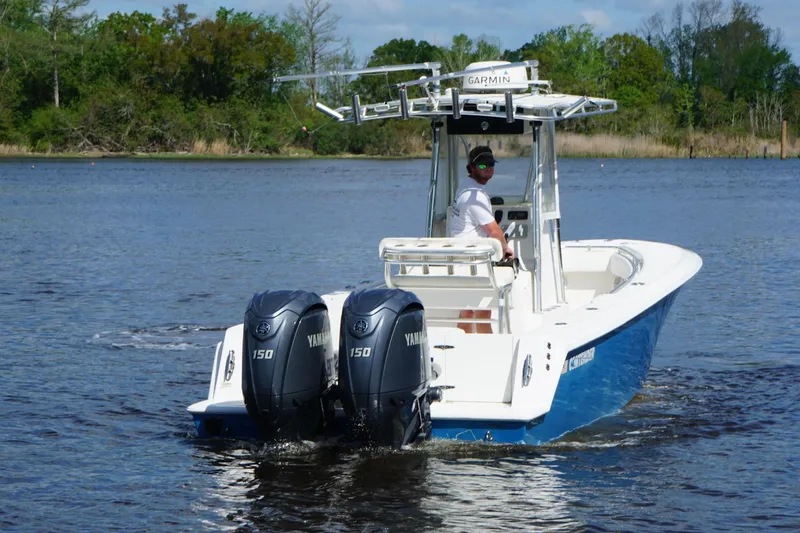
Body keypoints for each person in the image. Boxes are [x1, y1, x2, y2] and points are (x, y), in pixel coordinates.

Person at [448, 146, 514, 334]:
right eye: (483, 164)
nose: (489, 168)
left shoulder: (465, 186)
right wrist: (507, 249)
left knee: (471, 309)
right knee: (479, 309)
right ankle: (485, 344)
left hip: (463, 256)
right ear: (472, 167)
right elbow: (494, 231)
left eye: (491, 164)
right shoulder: (474, 196)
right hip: (471, 259)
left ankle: (466, 342)